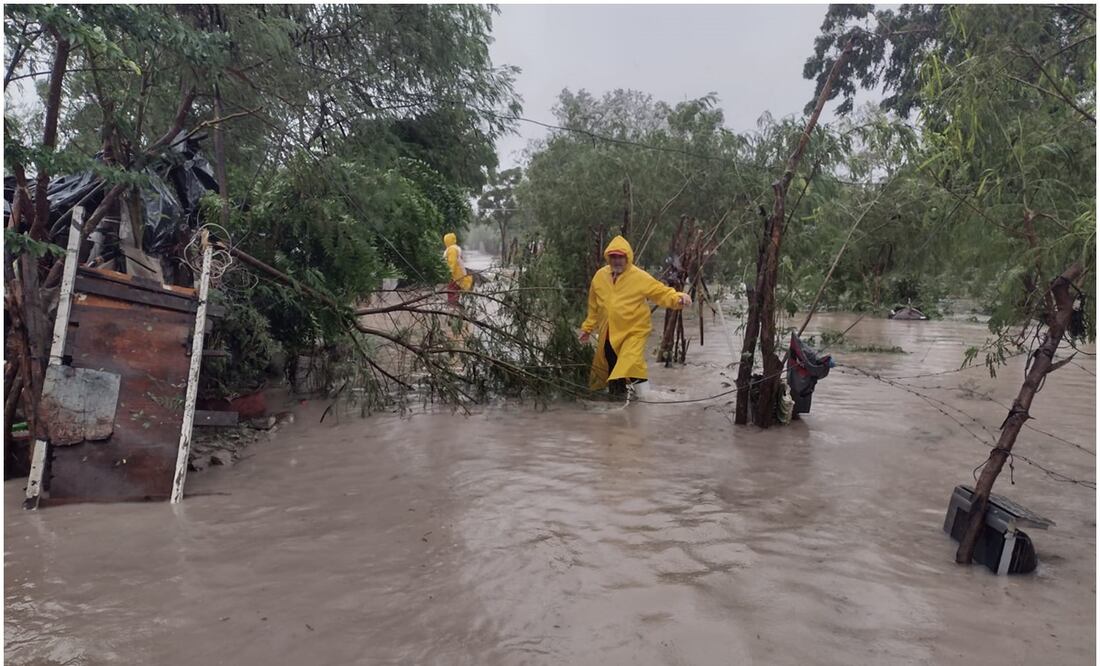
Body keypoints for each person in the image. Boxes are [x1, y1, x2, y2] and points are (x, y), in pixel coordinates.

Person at [579, 235, 692, 399]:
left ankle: (647, 400)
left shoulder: (639, 276)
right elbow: (594, 307)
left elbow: (660, 292)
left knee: (631, 362)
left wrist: (678, 298)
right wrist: (587, 328)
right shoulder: (600, 277)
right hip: (609, 332)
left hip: (634, 331)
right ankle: (617, 398)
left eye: (620, 257)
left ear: (627, 257)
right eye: (614, 257)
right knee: (611, 361)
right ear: (608, 258)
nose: (617, 261)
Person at [443, 232, 473, 306]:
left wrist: (449, 271)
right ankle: (454, 302)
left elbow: (452, 262)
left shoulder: (452, 249)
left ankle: (452, 303)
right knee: (455, 288)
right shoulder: (455, 248)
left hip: (455, 273)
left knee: (451, 288)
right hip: (459, 272)